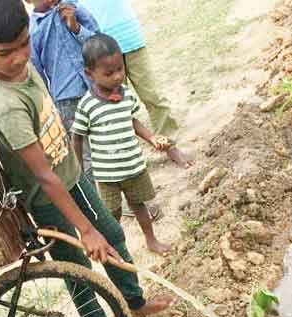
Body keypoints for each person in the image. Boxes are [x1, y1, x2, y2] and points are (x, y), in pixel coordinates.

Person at [0, 0, 175, 317]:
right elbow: (43, 177)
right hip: (46, 200)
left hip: (72, 176)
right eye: (5, 53)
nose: (18, 57)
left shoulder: (26, 71)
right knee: (76, 268)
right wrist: (84, 230)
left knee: (113, 236)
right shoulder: (6, 103)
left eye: (24, 44)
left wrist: (94, 227)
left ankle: (134, 303)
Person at [72, 33, 172, 256]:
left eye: (120, 69)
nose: (117, 76)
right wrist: (77, 168)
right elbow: (77, 137)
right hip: (107, 175)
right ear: (89, 73)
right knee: (111, 215)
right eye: (109, 73)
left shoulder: (126, 95)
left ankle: (151, 240)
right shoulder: (87, 105)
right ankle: (116, 249)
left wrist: (152, 138)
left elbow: (133, 121)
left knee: (139, 205)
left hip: (133, 166)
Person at [79, 0, 190, 168]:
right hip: (100, 51)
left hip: (129, 38)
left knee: (153, 96)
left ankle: (170, 145)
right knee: (113, 108)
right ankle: (127, 158)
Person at [27, 0, 98, 182]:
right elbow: (37, 73)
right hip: (67, 100)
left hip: (97, 87)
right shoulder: (32, 30)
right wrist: (50, 106)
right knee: (85, 156)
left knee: (109, 143)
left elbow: (99, 41)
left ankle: (128, 198)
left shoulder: (74, 7)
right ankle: (103, 208)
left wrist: (76, 28)